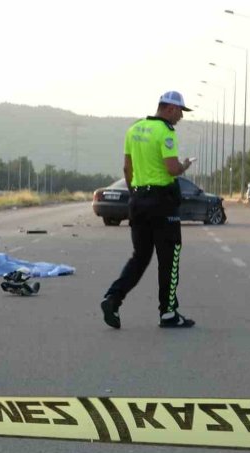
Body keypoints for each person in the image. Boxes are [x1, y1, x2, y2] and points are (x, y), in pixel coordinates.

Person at [101, 91, 195, 329]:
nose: (181, 118)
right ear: (170, 109)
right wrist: (184, 165)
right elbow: (171, 168)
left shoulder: (134, 130)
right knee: (169, 258)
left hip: (139, 201)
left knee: (140, 257)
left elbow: (126, 168)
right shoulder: (166, 132)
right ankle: (168, 313)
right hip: (163, 203)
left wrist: (135, 195)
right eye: (180, 112)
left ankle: (113, 298)